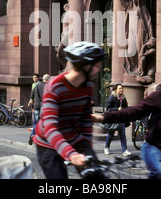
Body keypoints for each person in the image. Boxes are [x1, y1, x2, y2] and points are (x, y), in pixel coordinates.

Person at [33, 41, 106, 179]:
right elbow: (50, 128)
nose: (99, 69)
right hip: (48, 144)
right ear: (86, 66)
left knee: (98, 177)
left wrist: (87, 149)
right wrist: (71, 154)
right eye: (97, 66)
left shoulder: (87, 86)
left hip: (75, 139)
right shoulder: (54, 87)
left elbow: (85, 120)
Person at [104, 84, 131, 156]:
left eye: (122, 88)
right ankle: (106, 147)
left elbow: (126, 106)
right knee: (111, 134)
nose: (121, 90)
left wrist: (124, 110)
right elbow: (108, 108)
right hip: (114, 118)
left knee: (122, 134)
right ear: (116, 90)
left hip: (121, 118)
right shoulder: (112, 97)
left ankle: (125, 150)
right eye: (119, 88)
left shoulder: (123, 97)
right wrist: (116, 109)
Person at [28, 73, 50, 145]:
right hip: (44, 107)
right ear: (48, 80)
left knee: (36, 122)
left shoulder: (37, 85)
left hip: (36, 106)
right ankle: (43, 139)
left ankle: (32, 134)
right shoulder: (47, 86)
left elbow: (32, 94)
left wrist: (31, 100)